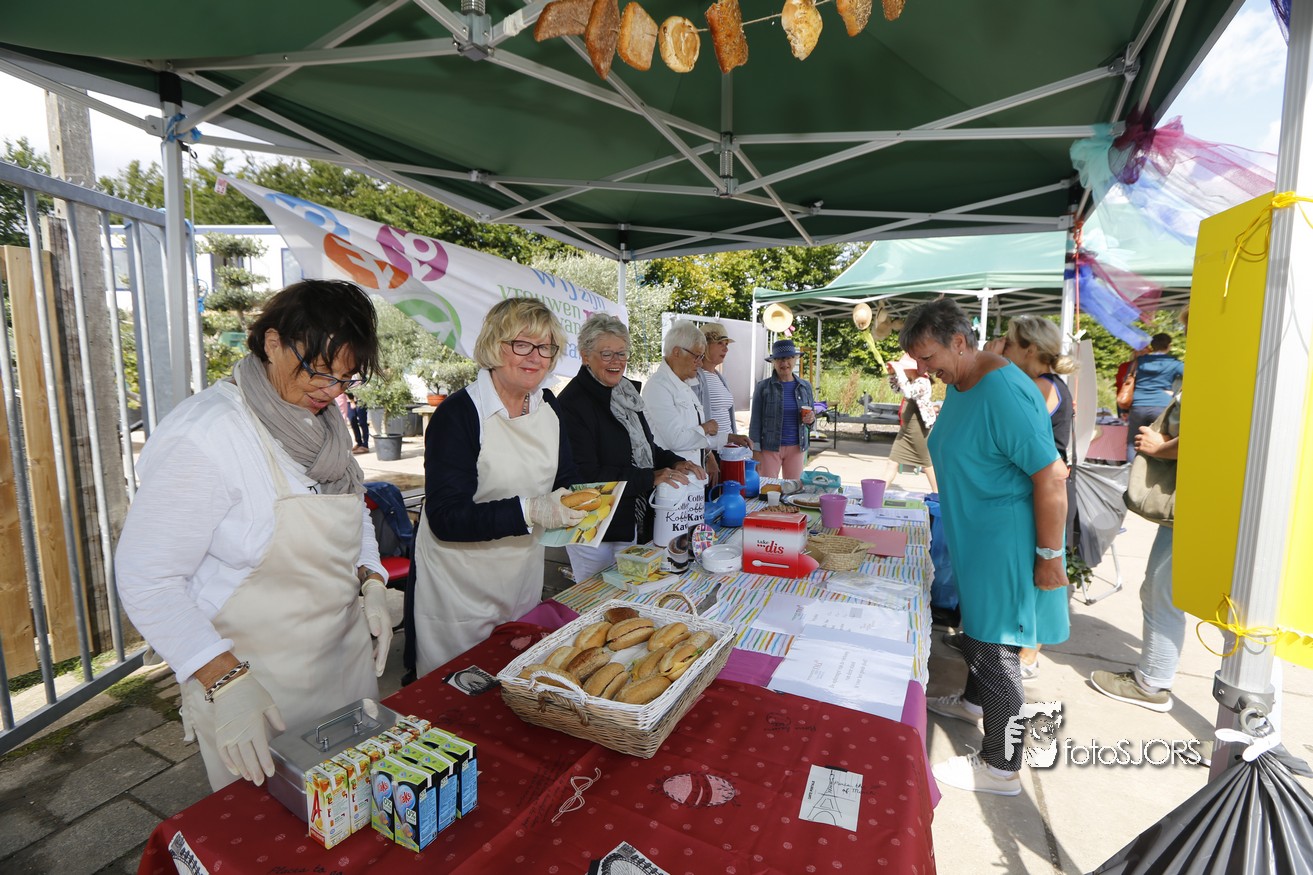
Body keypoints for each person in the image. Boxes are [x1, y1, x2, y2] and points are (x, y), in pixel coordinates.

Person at [116, 280, 393, 791]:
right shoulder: (207, 435)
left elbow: (350, 513)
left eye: (345, 378)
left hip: (342, 664)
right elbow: (147, 579)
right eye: (320, 370)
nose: (332, 391)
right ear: (272, 342)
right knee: (271, 820)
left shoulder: (324, 428)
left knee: (357, 802)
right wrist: (222, 678)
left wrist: (372, 578)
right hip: (253, 684)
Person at [900, 298, 1069, 797]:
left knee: (997, 651)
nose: (923, 370)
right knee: (978, 633)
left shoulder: (1001, 390)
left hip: (1005, 543)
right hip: (977, 539)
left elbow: (1051, 477)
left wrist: (1049, 557)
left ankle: (1001, 767)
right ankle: (975, 704)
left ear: (959, 342)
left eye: (928, 358)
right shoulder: (964, 380)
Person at [413, 297, 583, 677]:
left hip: (521, 577)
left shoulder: (548, 408)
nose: (535, 357)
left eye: (545, 347)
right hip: (460, 588)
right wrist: (530, 510)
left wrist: (578, 500)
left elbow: (564, 477)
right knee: (459, 690)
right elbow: (446, 517)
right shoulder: (459, 414)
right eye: (521, 344)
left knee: (514, 679)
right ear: (494, 345)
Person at [557, 314, 705, 581]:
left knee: (630, 590)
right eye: (607, 354)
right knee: (596, 597)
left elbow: (643, 447)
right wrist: (649, 477)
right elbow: (584, 474)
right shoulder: (572, 403)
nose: (617, 361)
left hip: (626, 519)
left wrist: (673, 461)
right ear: (585, 356)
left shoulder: (625, 393)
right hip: (590, 526)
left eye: (622, 353)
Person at [1091, 308, 1187, 712]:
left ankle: (1152, 682)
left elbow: (1209, 434)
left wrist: (1159, 447)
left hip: (1199, 504)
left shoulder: (1222, 367)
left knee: (1162, 590)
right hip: (1218, 503)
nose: (1187, 332)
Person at [979, 315, 1078, 681]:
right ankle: (1023, 655)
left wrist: (987, 365)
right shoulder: (1048, 384)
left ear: (1030, 349)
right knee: (1032, 580)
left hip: (1045, 493)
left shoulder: (1038, 386)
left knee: (1034, 579)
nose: (1004, 347)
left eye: (1009, 342)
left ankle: (1023, 660)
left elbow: (995, 409)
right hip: (1045, 490)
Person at [641, 320, 725, 467]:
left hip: (692, 475)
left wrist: (730, 438)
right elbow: (676, 440)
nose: (700, 363)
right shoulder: (658, 387)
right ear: (677, 352)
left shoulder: (685, 384)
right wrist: (706, 428)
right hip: (672, 476)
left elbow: (697, 437)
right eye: (697, 356)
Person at [694, 321, 753, 485]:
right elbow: (694, 422)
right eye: (720, 343)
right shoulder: (696, 377)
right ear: (705, 345)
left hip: (726, 450)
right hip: (711, 452)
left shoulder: (719, 377)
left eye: (726, 344)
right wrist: (708, 455)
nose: (726, 349)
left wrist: (734, 441)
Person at [748, 338, 816, 479]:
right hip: (769, 448)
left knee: (794, 488)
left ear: (795, 359)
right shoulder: (763, 387)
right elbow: (755, 422)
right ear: (773, 362)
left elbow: (811, 420)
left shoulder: (805, 387)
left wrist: (811, 420)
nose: (784, 363)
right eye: (779, 359)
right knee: (767, 487)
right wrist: (756, 451)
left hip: (797, 447)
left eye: (788, 358)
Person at [883, 353, 938, 492]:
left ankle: (938, 494)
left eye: (904, 368)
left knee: (926, 463)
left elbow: (909, 393)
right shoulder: (911, 381)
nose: (902, 371)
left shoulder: (923, 382)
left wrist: (900, 372)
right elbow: (896, 389)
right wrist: (892, 373)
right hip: (906, 430)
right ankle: (879, 492)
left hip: (918, 429)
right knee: (892, 462)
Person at [1125, 333, 1183, 462]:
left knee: (1133, 441)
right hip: (1162, 405)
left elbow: (1126, 380)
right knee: (1159, 442)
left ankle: (1130, 469)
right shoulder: (1174, 364)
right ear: (1168, 346)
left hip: (1138, 405)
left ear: (1152, 345)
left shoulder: (1139, 361)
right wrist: (1173, 393)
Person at [1114, 345, 1149, 419]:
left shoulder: (1124, 366)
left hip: (1126, 400)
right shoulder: (1151, 367)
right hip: (1140, 402)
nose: (1142, 353)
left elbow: (1120, 385)